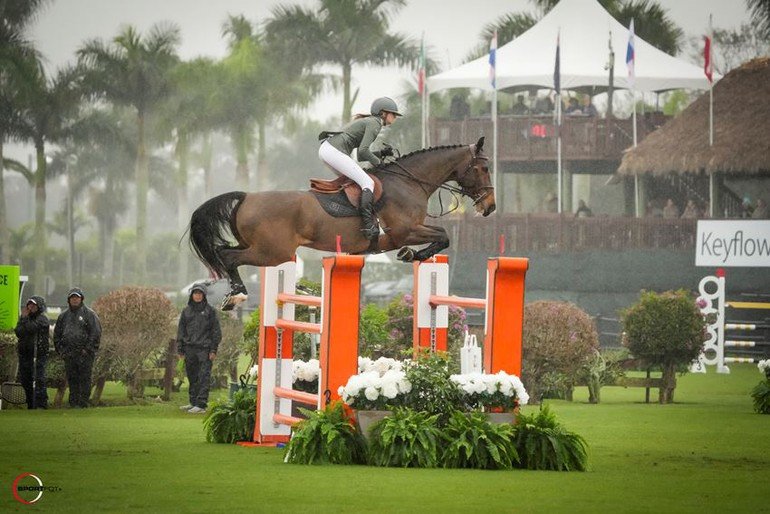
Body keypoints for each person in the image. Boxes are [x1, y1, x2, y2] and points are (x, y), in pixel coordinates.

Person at [318, 96, 402, 240]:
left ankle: (347, 216)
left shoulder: (371, 121)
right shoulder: (375, 123)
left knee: (352, 182)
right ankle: (368, 225)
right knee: (368, 182)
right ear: (383, 113)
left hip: (328, 150)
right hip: (333, 151)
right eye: (393, 114)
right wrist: (379, 163)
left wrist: (380, 153)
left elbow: (360, 156)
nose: (395, 117)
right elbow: (363, 151)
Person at [177, 283, 221, 414]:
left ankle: (201, 404)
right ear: (192, 295)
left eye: (200, 293)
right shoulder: (186, 311)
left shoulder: (210, 311)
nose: (197, 296)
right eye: (195, 293)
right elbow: (181, 330)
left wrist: (213, 350)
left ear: (204, 295)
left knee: (203, 377)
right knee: (192, 376)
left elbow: (216, 331)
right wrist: (180, 348)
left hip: (205, 349)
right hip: (189, 348)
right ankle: (193, 402)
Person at [54, 287, 101, 408]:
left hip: (85, 354)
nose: (75, 300)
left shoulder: (89, 314)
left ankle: (83, 402)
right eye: (72, 297)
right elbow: (57, 335)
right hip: (69, 354)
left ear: (81, 299)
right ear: (69, 300)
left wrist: (87, 349)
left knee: (84, 378)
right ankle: (73, 402)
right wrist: (61, 351)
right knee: (72, 379)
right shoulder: (63, 316)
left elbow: (95, 333)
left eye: (77, 297)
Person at [15, 296, 50, 409]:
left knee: (38, 379)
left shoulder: (42, 319)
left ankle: (41, 404)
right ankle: (31, 403)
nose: (31, 307)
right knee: (26, 380)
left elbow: (32, 328)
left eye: (34, 305)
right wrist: (24, 320)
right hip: (25, 355)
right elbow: (18, 331)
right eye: (29, 304)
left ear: (39, 306)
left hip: (38, 355)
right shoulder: (24, 318)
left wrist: (25, 320)